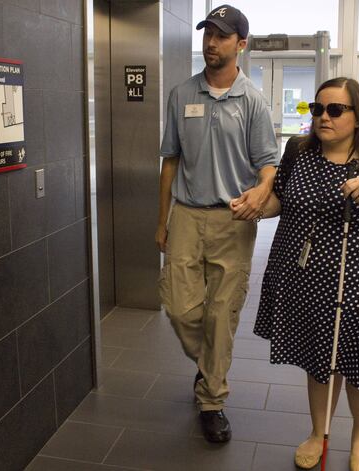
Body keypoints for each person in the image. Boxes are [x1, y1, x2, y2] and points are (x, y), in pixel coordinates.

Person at [250, 77, 359, 471]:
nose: (323, 117)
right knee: (319, 359)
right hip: (309, 283)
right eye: (317, 109)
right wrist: (258, 205)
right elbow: (282, 198)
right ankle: (318, 430)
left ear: (357, 117)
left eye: (335, 110)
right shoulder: (298, 152)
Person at [156, 4, 279, 443]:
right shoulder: (181, 94)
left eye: (222, 36)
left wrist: (263, 192)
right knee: (180, 308)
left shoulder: (254, 101)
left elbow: (268, 165)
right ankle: (209, 369)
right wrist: (162, 220)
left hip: (233, 221)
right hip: (186, 216)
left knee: (221, 316)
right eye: (208, 33)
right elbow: (170, 160)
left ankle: (212, 399)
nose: (211, 42)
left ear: (240, 45)